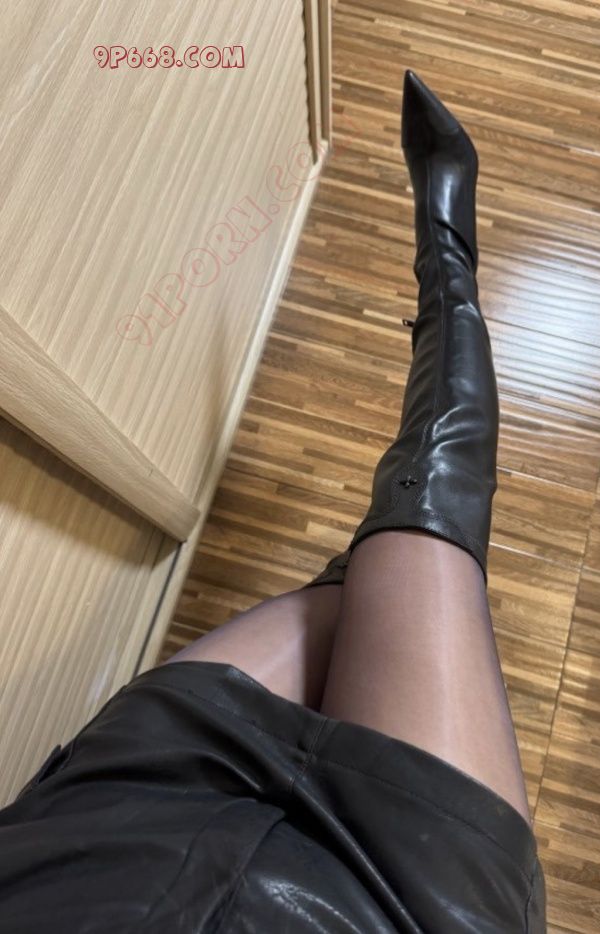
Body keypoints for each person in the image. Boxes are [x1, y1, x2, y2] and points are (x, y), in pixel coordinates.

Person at [0, 71, 546, 932]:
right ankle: (448, 254)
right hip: (406, 898)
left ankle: (442, 270)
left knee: (376, 569)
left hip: (114, 839)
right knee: (430, 511)